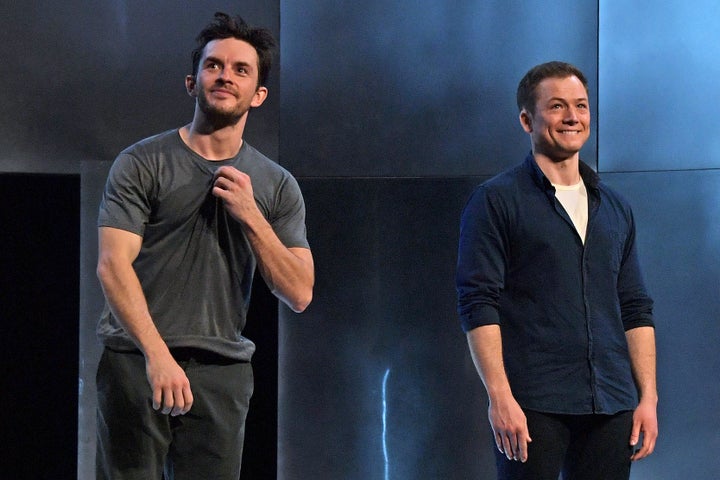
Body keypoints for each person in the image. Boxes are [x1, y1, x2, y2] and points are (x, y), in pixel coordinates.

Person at [94, 12, 314, 479]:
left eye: (240, 70)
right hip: (137, 360)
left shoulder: (276, 185)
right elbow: (113, 266)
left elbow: (299, 292)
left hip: (221, 372)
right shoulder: (141, 163)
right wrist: (157, 355)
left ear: (258, 95)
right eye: (214, 66)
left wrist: (251, 215)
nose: (225, 77)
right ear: (192, 83)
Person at [455, 61, 657, 480]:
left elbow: (635, 307)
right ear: (527, 120)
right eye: (558, 106)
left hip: (612, 402)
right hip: (533, 404)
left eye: (581, 106)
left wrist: (648, 398)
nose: (572, 118)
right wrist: (500, 397)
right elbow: (478, 303)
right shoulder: (495, 201)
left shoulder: (615, 207)